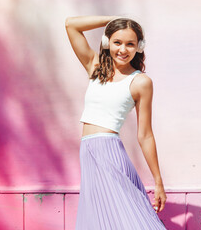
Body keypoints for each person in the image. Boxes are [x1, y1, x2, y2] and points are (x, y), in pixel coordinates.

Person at [65, 15, 167, 229]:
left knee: (128, 218)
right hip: (88, 151)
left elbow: (145, 134)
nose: (123, 49)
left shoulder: (140, 82)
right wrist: (116, 19)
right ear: (106, 42)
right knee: (101, 220)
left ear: (139, 47)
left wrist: (158, 180)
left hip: (109, 152)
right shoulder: (95, 68)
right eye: (117, 42)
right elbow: (71, 25)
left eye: (130, 44)